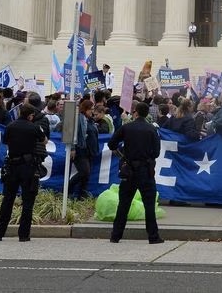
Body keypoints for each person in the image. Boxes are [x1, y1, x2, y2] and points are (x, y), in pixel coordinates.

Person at [108, 101, 163, 244]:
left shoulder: (126, 127)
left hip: (129, 170)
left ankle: (115, 235)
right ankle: (153, 236)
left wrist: (122, 155)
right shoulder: (152, 129)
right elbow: (156, 152)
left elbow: (111, 144)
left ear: (136, 112)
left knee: (124, 204)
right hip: (146, 170)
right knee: (149, 205)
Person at [0, 104, 46, 241]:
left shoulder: (10, 126)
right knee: (28, 202)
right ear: (30, 115)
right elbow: (44, 140)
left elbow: (6, 142)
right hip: (28, 167)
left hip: (12, 166)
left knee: (8, 200)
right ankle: (23, 235)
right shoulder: (34, 127)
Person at [68, 99, 99, 200]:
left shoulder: (91, 120)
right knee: (84, 172)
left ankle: (82, 194)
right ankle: (68, 189)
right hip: (80, 149)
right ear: (85, 109)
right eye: (91, 109)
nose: (92, 111)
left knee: (86, 175)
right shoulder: (78, 119)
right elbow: (73, 133)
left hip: (89, 150)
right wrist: (72, 148)